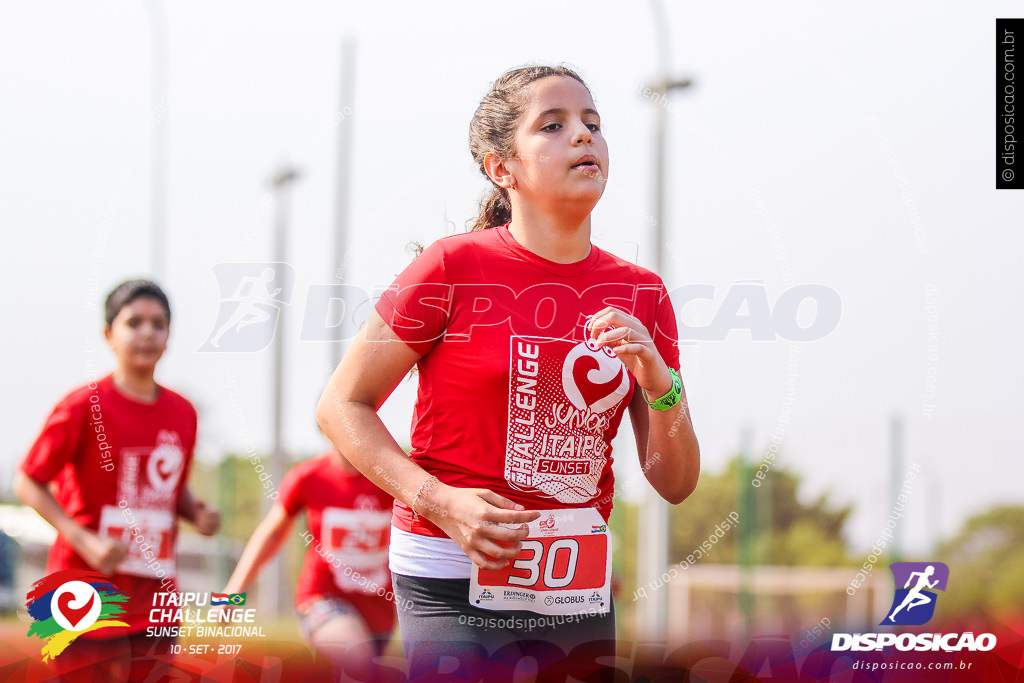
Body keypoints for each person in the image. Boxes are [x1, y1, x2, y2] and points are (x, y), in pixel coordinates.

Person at [316, 64, 700, 679]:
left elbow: (675, 483)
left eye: (592, 123)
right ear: (503, 169)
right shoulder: (451, 267)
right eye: (554, 125)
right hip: (449, 571)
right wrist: (440, 503)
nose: (584, 136)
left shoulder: (642, 292)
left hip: (575, 586)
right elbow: (340, 407)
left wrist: (660, 385)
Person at [14, 279, 219, 681]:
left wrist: (195, 511)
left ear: (169, 336)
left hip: (155, 598)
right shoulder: (82, 406)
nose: (147, 332)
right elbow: (28, 482)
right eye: (134, 322)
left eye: (158, 324)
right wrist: (83, 539)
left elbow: (167, 488)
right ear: (109, 334)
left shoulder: (183, 413)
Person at [223, 445, 396, 677]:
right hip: (321, 600)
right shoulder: (308, 477)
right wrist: (233, 592)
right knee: (360, 662)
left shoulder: (393, 476)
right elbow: (272, 534)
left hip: (380, 612)